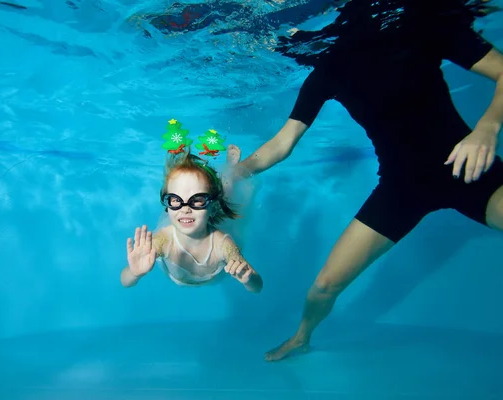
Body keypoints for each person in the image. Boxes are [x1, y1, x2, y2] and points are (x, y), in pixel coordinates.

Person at [226, 0, 503, 361]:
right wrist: (236, 172)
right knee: (324, 287)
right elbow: (282, 143)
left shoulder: (421, 24)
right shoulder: (328, 67)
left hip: (469, 167)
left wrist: (486, 129)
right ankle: (301, 337)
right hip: (402, 188)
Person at [120, 120, 263, 293]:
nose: (185, 208)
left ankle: (230, 174)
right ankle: (221, 180)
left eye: (197, 200)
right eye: (175, 200)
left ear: (211, 207)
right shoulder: (162, 241)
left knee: (229, 202)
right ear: (168, 203)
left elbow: (257, 287)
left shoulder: (224, 245)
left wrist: (248, 279)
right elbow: (125, 281)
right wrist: (135, 273)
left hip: (214, 273)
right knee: (212, 191)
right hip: (183, 273)